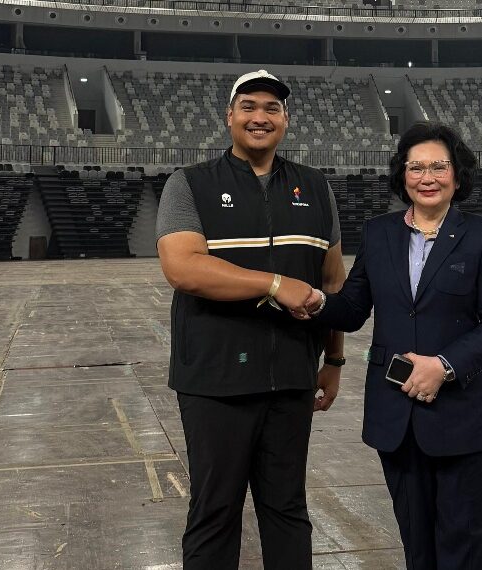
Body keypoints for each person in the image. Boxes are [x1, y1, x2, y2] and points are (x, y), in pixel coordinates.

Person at [302, 122, 482, 569]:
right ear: (402, 176)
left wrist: (444, 365)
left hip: (461, 415)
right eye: (415, 167)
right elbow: (353, 308)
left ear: (457, 175)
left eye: (438, 166)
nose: (427, 177)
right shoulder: (380, 233)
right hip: (395, 414)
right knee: (416, 543)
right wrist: (314, 300)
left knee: (465, 545)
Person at [155, 69, 347, 570]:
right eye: (249, 106)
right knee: (215, 513)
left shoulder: (315, 187)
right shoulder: (189, 184)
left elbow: (332, 282)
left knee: (287, 510)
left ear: (286, 120)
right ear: (230, 116)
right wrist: (273, 284)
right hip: (215, 381)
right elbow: (183, 267)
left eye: (272, 109)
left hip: (290, 379)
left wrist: (335, 358)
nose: (260, 117)